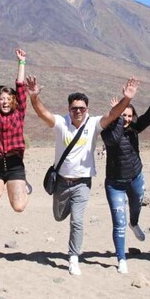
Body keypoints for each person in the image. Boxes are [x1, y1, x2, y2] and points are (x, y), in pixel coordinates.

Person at [27, 75, 139, 275]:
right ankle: (67, 215)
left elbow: (113, 114)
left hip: (82, 183)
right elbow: (42, 113)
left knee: (77, 221)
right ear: (69, 109)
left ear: (87, 109)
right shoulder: (61, 123)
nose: (78, 111)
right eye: (74, 108)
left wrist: (127, 100)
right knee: (59, 216)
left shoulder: (93, 124)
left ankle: (73, 258)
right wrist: (34, 97)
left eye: (82, 108)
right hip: (61, 182)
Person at [100, 92, 150, 273]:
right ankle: (121, 259)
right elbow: (115, 139)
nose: (126, 119)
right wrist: (116, 117)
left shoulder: (135, 128)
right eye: (123, 115)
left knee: (135, 209)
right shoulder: (107, 132)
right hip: (114, 184)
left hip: (136, 179)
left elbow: (149, 117)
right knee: (119, 222)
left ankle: (134, 223)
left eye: (128, 115)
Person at [0, 46, 31, 212]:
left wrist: (21, 62)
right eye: (1, 99)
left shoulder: (19, 113)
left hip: (14, 164)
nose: (5, 102)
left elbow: (21, 87)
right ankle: (4, 186)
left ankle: (21, 185)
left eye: (8, 98)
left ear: (13, 101)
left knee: (19, 207)